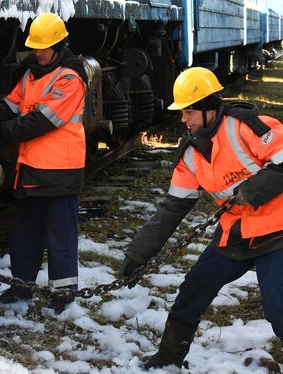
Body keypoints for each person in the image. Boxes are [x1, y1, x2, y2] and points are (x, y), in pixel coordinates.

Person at [119, 66, 283, 369]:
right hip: (235, 236)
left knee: (279, 308)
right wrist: (138, 254)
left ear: (209, 108)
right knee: (193, 289)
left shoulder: (247, 126)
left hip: (277, 232)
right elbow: (171, 209)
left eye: (189, 111)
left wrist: (251, 191)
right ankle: (167, 358)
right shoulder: (191, 154)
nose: (184, 119)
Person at [0, 12, 88, 313]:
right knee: (25, 234)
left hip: (60, 170)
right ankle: (20, 289)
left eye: (43, 47)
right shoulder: (30, 75)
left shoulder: (69, 77)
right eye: (35, 47)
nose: (37, 52)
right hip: (31, 168)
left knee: (60, 237)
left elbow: (41, 121)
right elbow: (9, 106)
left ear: (59, 45)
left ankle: (62, 299)